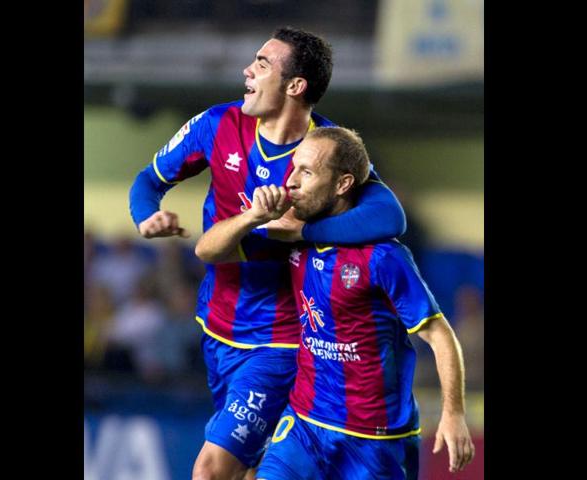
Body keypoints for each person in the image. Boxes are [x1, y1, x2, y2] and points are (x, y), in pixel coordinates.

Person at [129, 27, 407, 480]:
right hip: (216, 325)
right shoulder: (217, 124)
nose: (247, 70)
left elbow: (389, 215)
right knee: (248, 470)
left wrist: (303, 230)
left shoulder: (326, 151)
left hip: (280, 340)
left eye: (262, 63)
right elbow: (148, 180)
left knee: (212, 470)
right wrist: (146, 216)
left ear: (295, 85)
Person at [195, 127, 475, 479]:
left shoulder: (383, 257)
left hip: (375, 440)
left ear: (343, 184)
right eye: (294, 168)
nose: (291, 182)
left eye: (307, 172)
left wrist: (453, 413)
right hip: (305, 425)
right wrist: (252, 217)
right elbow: (208, 250)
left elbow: (439, 335)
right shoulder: (288, 237)